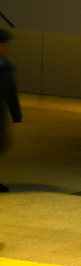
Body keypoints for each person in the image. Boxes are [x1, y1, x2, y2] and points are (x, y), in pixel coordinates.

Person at [0, 29, 23, 193]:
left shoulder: (6, 65)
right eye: (5, 45)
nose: (8, 48)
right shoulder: (5, 67)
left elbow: (10, 91)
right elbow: (10, 90)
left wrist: (16, 113)